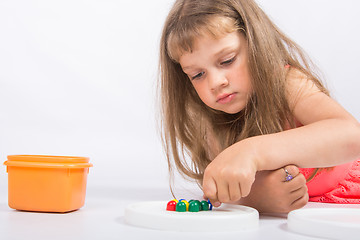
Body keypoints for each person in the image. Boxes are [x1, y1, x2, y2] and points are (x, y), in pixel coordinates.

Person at [158, 0, 360, 213]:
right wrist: (256, 199)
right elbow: (219, 187)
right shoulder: (210, 118)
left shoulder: (286, 82)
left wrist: (253, 151)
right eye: (197, 75)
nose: (215, 82)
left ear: (255, 44)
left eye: (227, 60)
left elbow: (352, 136)